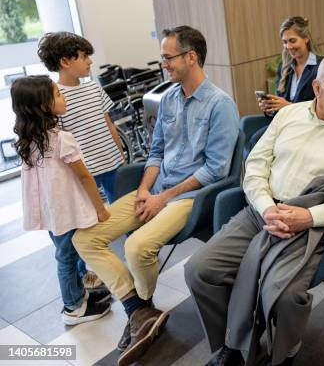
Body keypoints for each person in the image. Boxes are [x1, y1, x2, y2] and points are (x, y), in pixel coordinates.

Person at [185, 52, 324, 366]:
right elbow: (255, 166)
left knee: (287, 297)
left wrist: (309, 216)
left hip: (309, 227)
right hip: (261, 213)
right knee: (199, 271)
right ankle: (235, 343)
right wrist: (266, 208)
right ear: (317, 88)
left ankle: (284, 352)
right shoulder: (288, 116)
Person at [72, 25, 240, 366]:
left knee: (136, 247)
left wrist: (163, 198)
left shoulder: (219, 105)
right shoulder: (169, 100)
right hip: (157, 189)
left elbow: (216, 170)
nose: (163, 63)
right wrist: (147, 189)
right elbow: (156, 152)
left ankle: (140, 310)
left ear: (190, 57)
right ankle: (140, 310)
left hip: (191, 197)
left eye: (168, 57)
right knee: (85, 238)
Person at [12, 76, 112, 325]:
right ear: (43, 106)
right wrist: (100, 208)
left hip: (53, 210)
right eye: (58, 94)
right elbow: (84, 175)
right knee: (67, 257)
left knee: (68, 252)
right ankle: (74, 307)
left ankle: (79, 293)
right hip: (67, 209)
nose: (63, 97)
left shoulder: (30, 139)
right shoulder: (60, 138)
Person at [37, 32, 125, 290]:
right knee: (81, 226)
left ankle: (136, 249)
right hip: (83, 173)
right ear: (65, 61)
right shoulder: (55, 98)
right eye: (84, 56)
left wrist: (119, 152)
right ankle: (84, 273)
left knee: (125, 210)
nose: (89, 62)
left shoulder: (94, 87)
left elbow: (108, 122)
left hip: (111, 163)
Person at [247, 16, 322, 153]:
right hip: (285, 125)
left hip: (309, 129)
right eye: (285, 42)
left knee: (261, 146)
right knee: (255, 142)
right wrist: (271, 107)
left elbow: (323, 108)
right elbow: (280, 105)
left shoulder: (321, 67)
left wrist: (288, 106)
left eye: (292, 41)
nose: (288, 46)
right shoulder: (285, 67)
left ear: (306, 38)